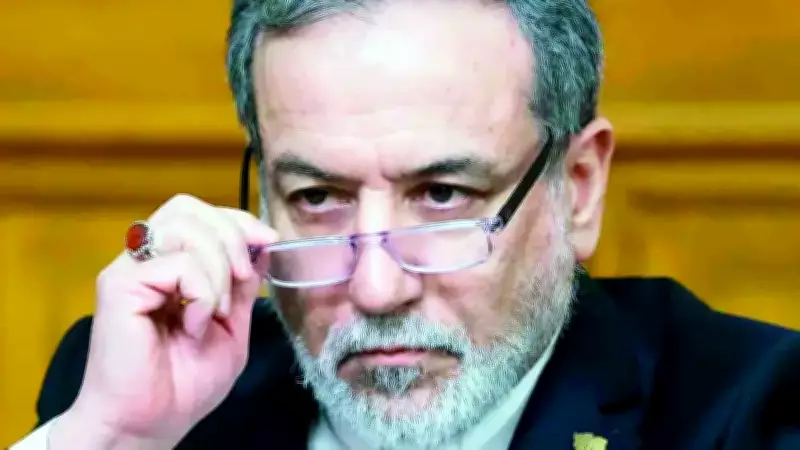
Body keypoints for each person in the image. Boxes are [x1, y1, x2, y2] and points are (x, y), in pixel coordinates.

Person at [10, 0, 800, 449]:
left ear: (579, 187)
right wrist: (112, 438)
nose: (377, 288)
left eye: (444, 194)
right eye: (317, 197)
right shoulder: (137, 396)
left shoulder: (752, 410)